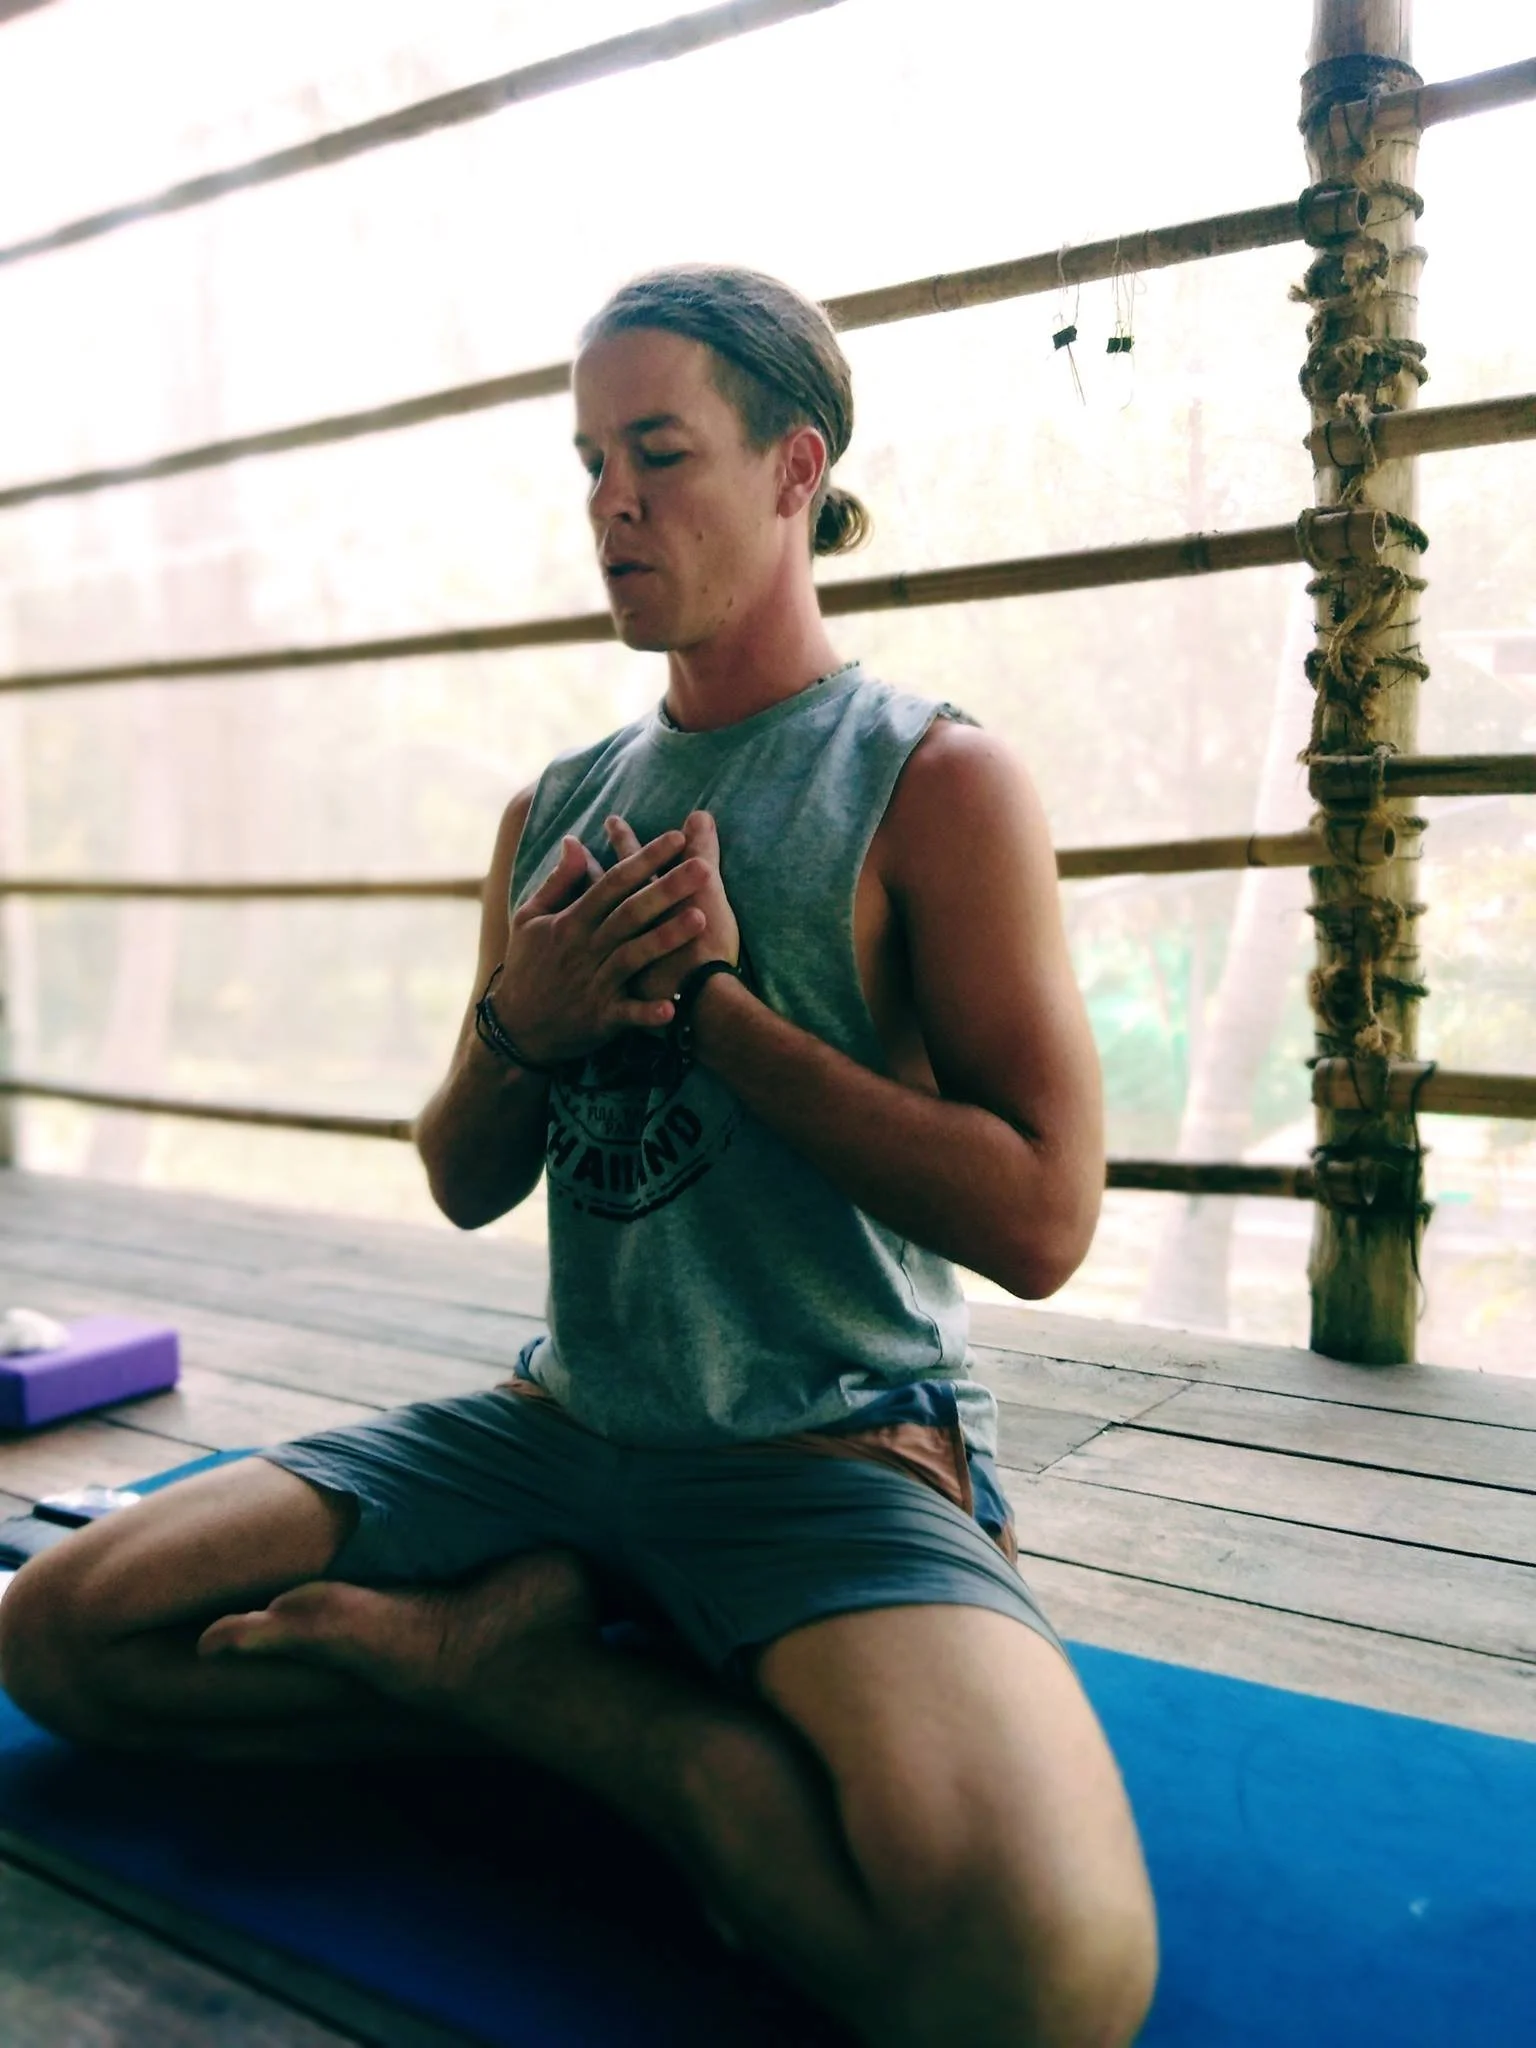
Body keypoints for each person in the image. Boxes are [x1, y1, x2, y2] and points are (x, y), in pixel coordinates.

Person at [0, 266, 1157, 2048]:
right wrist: (528, 1024)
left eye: (659, 453)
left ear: (795, 466)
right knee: (63, 1632)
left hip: (825, 1453)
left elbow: (1045, 1220)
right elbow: (468, 1177)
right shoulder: (553, 809)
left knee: (1036, 1985)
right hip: (553, 1436)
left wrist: (726, 1023)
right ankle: (575, 1689)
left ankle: (528, 1686)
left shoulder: (932, 780)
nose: (611, 504)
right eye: (590, 462)